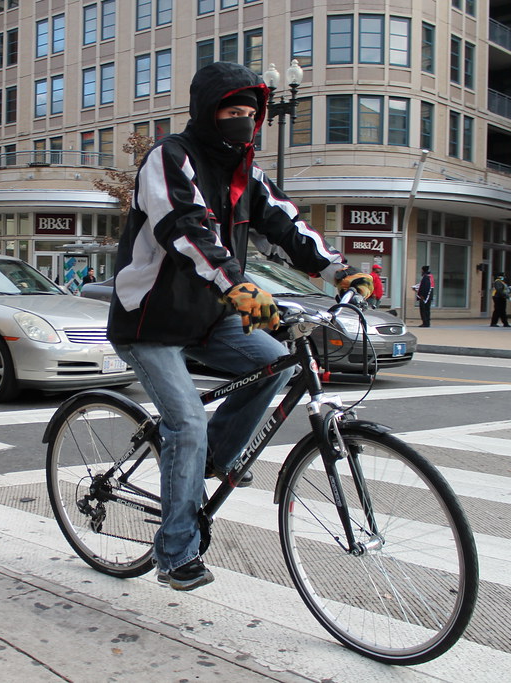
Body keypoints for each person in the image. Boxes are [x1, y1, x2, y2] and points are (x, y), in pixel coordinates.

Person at [107, 61, 372, 592]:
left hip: (213, 317)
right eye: (233, 111)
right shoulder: (169, 157)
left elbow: (288, 226)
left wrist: (339, 270)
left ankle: (207, 463)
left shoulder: (246, 174)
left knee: (275, 364)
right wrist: (236, 284)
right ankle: (176, 552)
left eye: (252, 114)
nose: (244, 122)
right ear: (208, 111)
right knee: (187, 422)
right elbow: (188, 230)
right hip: (151, 319)